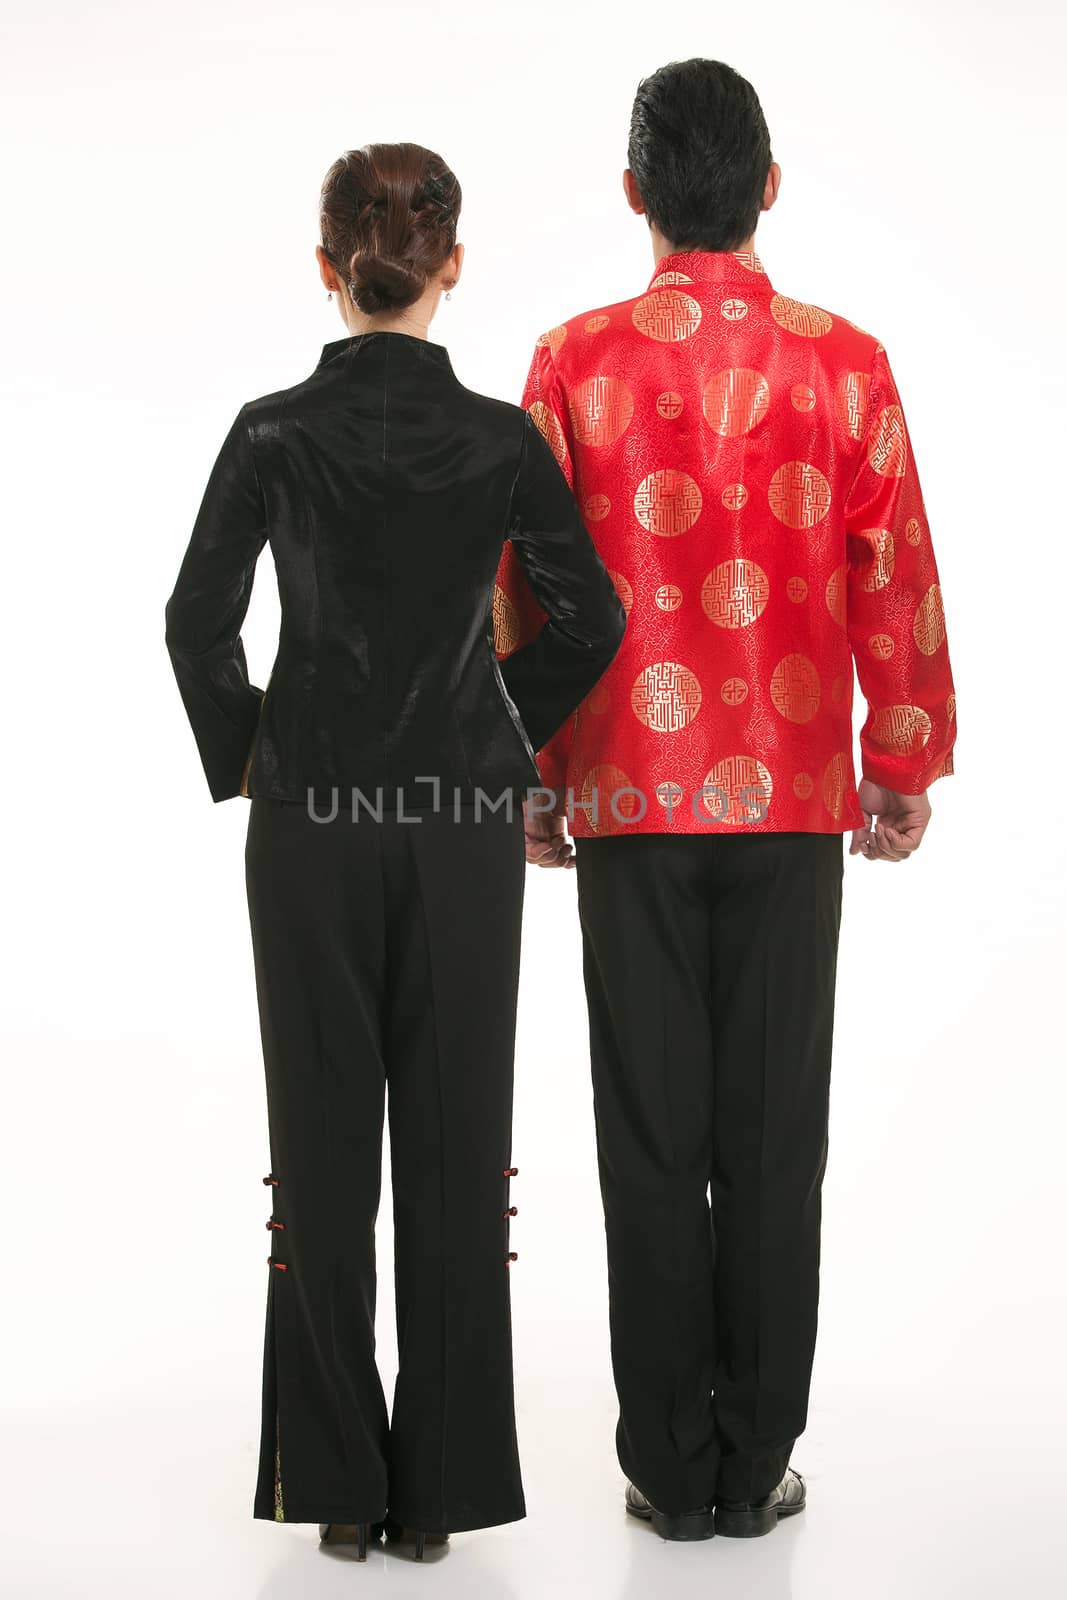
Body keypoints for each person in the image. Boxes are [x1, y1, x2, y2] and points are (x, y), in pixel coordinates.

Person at [495, 59, 957, 1541]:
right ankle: (753, 1466)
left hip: (632, 794)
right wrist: (902, 759)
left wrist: (536, 771)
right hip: (792, 804)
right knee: (771, 1136)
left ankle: (663, 1469)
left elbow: (526, 592)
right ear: (768, 182)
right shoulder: (848, 364)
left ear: (636, 192)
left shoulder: (572, 363)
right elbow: (898, 578)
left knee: (648, 1136)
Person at [164, 142, 625, 1562]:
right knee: (453, 1144)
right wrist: (501, 729)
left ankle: (337, 1494)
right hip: (461, 830)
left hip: (308, 823)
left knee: (315, 1150)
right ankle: (440, 1497)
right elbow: (592, 616)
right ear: (452, 265)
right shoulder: (500, 440)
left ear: (327, 267)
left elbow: (196, 621)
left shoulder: (269, 432)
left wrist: (251, 751)